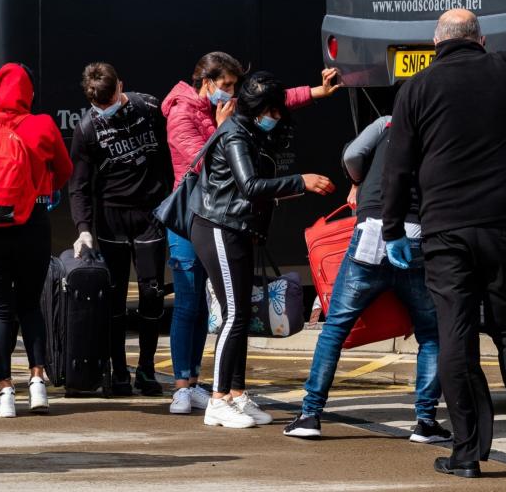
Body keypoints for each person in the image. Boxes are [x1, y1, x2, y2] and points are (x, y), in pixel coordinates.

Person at [382, 0, 506, 479]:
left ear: (436, 44)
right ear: (481, 41)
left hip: (445, 229)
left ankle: (467, 452)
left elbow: (397, 169)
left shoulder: (416, 89)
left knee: (455, 335)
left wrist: (393, 229)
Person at [162, 51, 342, 414]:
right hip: (199, 214)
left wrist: (316, 92)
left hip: (230, 217)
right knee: (192, 302)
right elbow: (215, 161)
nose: (231, 93)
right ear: (206, 82)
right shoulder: (189, 116)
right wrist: (222, 127)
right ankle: (189, 386)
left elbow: (271, 100)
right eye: (225, 85)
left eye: (234, 86)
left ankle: (233, 393)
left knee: (234, 310)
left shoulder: (239, 116)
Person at [283, 115, 449, 444]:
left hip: (371, 229)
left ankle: (310, 416)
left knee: (335, 329)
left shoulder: (389, 122)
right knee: (431, 334)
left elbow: (351, 155)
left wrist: (358, 181)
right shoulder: (443, 126)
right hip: (416, 231)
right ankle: (426, 421)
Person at [0, 63, 73, 418]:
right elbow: (64, 170)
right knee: (30, 306)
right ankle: (37, 385)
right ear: (29, 94)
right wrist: (42, 184)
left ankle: (4, 393)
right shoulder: (44, 125)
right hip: (31, 222)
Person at [69, 62, 172, 396]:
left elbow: (173, 151)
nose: (104, 111)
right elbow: (79, 185)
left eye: (108, 102)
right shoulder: (86, 128)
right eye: (98, 107)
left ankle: (146, 368)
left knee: (151, 294)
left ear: (120, 86)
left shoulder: (149, 107)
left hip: (150, 213)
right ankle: (118, 371)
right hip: (112, 217)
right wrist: (83, 228)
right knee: (113, 298)